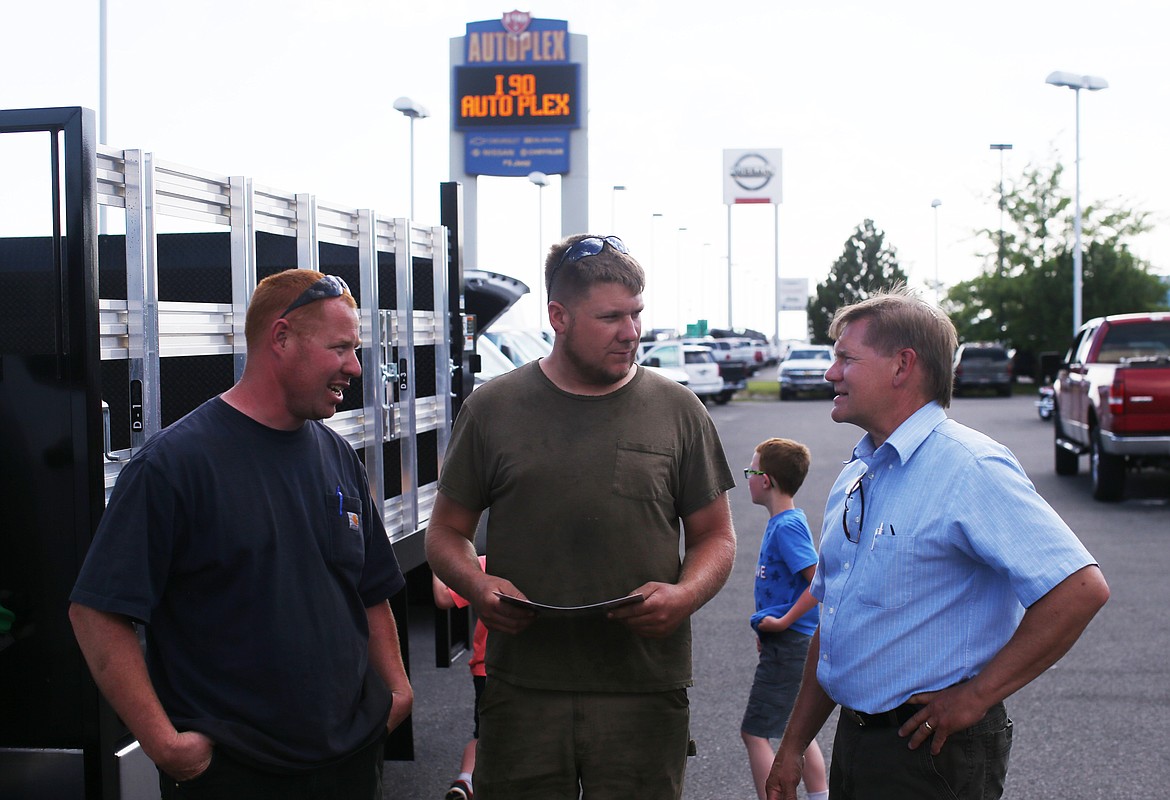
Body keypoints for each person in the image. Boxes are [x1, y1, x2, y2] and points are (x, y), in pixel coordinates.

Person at [69, 269, 413, 799]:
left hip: (350, 760)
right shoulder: (175, 466)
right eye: (340, 347)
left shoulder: (336, 454)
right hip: (237, 774)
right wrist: (164, 744)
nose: (355, 366)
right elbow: (96, 612)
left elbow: (369, 588)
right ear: (281, 338)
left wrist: (396, 693)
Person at [425, 233, 737, 800]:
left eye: (637, 313)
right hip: (523, 691)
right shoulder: (493, 409)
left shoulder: (678, 410)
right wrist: (477, 582)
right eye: (611, 317)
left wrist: (685, 596)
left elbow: (716, 536)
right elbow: (446, 532)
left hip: (644, 689)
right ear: (558, 316)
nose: (631, 331)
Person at [766, 288, 1110, 800]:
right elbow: (834, 618)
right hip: (857, 742)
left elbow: (1080, 588)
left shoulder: (969, 466)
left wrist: (975, 697)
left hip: (933, 753)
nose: (829, 372)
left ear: (902, 366)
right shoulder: (859, 473)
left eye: (845, 358)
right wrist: (794, 746)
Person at [741, 438, 827, 800]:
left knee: (755, 732)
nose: (747, 477)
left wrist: (784, 622)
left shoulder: (787, 526)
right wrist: (771, 624)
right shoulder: (782, 522)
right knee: (798, 729)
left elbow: (818, 583)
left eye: (751, 470)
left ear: (767, 479)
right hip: (786, 639)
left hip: (791, 641)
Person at [432, 557, 489, 800]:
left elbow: (444, 598)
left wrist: (437, 564)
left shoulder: (488, 563)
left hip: (488, 669)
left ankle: (465, 780)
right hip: (532, 670)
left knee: (483, 735)